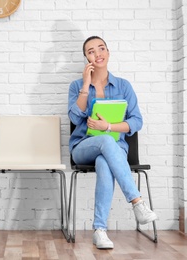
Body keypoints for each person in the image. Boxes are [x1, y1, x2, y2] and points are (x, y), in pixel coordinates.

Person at [68, 36, 158, 249]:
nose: (97, 54)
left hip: (113, 148)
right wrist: (86, 84)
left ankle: (99, 230)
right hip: (83, 146)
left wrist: (108, 127)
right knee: (106, 144)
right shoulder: (76, 86)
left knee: (104, 161)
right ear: (86, 58)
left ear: (108, 53)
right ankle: (137, 202)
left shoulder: (123, 85)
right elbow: (73, 117)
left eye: (101, 49)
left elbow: (136, 121)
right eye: (91, 51)